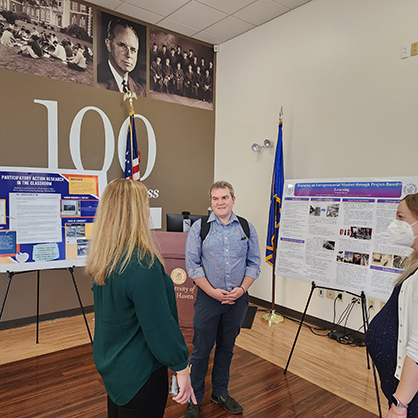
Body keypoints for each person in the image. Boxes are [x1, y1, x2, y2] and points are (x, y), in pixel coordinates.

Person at [86, 179, 196, 418]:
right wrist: (181, 369)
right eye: (146, 203)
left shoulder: (107, 256)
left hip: (114, 366)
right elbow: (159, 327)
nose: (148, 209)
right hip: (139, 374)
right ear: (136, 211)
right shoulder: (141, 263)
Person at [184, 181, 261, 418]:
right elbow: (192, 266)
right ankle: (194, 398)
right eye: (215, 199)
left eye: (224, 198)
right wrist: (212, 292)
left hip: (237, 300)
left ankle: (220, 392)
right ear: (211, 202)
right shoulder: (200, 229)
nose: (220, 202)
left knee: (226, 348)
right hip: (208, 299)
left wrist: (241, 289)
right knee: (201, 350)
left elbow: (254, 263)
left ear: (233, 200)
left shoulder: (246, 228)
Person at [366, 193, 418, 418]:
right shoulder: (414, 261)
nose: (394, 224)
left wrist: (400, 405)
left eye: (400, 217)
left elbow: (417, 348)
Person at [97, 18, 145, 96]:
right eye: (122, 46)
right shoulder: (96, 80)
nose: (129, 55)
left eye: (133, 50)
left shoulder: (140, 91)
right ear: (108, 44)